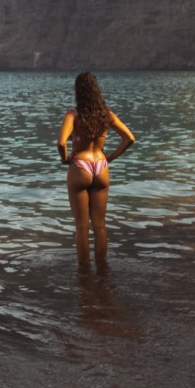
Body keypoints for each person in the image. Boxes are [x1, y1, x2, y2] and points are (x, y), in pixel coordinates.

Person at [57, 72, 135, 266]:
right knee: (100, 225)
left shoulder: (73, 114)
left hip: (80, 165)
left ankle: (83, 273)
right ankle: (102, 269)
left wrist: (65, 159)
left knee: (82, 226)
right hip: (101, 166)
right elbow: (130, 138)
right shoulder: (106, 114)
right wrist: (110, 158)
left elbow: (60, 143)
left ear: (78, 92)